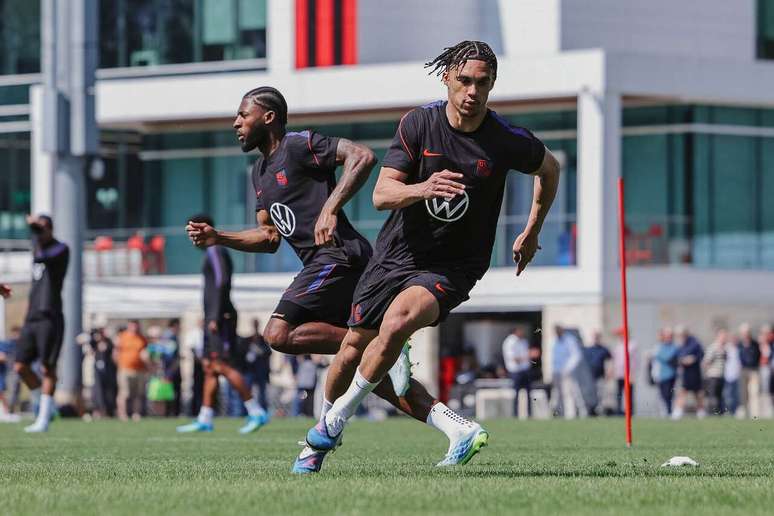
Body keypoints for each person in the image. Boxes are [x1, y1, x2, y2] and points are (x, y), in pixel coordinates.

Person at [303, 40, 559, 471]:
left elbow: (550, 169)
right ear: (446, 78)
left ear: (492, 84)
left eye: (482, 83)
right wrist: (423, 188)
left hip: (454, 266)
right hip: (396, 254)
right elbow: (382, 194)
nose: (472, 91)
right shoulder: (419, 123)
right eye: (464, 80)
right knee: (351, 349)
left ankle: (334, 422)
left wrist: (532, 230)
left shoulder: (505, 138)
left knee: (397, 322)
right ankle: (318, 438)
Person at [186, 86, 465, 474]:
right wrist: (220, 237)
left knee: (278, 333)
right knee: (372, 372)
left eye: (243, 115)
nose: (236, 123)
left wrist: (330, 208)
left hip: (339, 256)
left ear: (268, 117)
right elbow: (269, 238)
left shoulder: (299, 145)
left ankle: (378, 345)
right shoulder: (260, 173)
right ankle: (456, 428)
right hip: (327, 264)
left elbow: (362, 156)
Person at [177, 215, 269, 434]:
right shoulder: (213, 251)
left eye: (193, 231)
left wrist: (215, 316)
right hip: (215, 317)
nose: (191, 237)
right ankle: (205, 418)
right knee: (210, 367)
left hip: (221, 318)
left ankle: (256, 411)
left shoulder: (215, 250)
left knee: (222, 366)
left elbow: (221, 281)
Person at [13, 214, 69, 432]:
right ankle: (44, 406)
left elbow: (45, 256)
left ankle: (43, 419)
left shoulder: (61, 249)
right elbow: (38, 255)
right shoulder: (36, 247)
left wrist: (38, 230)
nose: (38, 232)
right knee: (20, 366)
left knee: (47, 367)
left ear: (51, 229)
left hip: (50, 316)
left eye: (42, 228)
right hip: (32, 317)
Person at [79, 328, 117, 418]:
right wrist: (90, 335)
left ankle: (108, 411)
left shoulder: (108, 342)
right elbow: (79, 340)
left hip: (108, 372)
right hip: (97, 371)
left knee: (108, 392)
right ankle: (98, 410)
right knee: (97, 391)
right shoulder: (93, 342)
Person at [114, 320, 148, 421]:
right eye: (132, 325)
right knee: (124, 393)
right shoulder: (122, 337)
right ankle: (122, 414)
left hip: (139, 370)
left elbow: (145, 352)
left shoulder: (142, 338)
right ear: (129, 326)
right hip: (125, 369)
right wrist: (119, 365)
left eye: (136, 326)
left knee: (138, 394)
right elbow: (116, 353)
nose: (134, 328)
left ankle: (136, 414)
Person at [551, 326, 585, 419]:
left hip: (567, 372)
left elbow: (576, 355)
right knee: (558, 394)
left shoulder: (570, 340)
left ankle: (574, 414)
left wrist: (568, 368)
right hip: (557, 372)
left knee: (571, 393)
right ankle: (560, 413)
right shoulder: (555, 341)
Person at [672, 326, 706, 419]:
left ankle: (701, 411)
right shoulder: (679, 345)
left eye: (681, 335)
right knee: (682, 392)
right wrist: (682, 360)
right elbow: (676, 358)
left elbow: (701, 354)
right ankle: (678, 411)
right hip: (685, 373)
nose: (680, 337)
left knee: (698, 392)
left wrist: (693, 359)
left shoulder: (695, 343)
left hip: (695, 372)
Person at [502, 327, 531, 416]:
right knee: (516, 393)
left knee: (528, 393)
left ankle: (529, 413)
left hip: (525, 370)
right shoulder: (510, 342)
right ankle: (515, 414)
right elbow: (514, 359)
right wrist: (529, 356)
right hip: (515, 371)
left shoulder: (524, 341)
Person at [583, 330, 611, 416]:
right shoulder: (588, 349)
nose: (596, 338)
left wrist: (609, 372)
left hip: (600, 376)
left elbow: (609, 361)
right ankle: (591, 411)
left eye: (597, 337)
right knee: (590, 394)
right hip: (590, 376)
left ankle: (599, 411)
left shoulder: (604, 349)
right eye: (594, 337)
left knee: (600, 394)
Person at [652, 327, 678, 416]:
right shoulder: (660, 346)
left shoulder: (673, 347)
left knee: (669, 394)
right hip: (661, 375)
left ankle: (669, 411)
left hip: (670, 374)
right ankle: (665, 411)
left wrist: (657, 355)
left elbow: (667, 357)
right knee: (662, 394)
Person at [737, 323, 761, 419]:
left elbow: (758, 355)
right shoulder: (740, 344)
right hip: (743, 370)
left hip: (753, 370)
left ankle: (755, 414)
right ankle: (745, 413)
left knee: (754, 392)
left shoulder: (755, 344)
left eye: (747, 332)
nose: (745, 334)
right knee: (744, 393)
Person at [612, 327, 637, 417]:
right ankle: (619, 411)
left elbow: (634, 361)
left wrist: (632, 373)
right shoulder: (618, 345)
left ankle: (630, 411)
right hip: (619, 373)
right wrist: (613, 370)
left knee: (629, 394)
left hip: (628, 374)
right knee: (619, 393)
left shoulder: (632, 345)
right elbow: (615, 360)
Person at [702, 329, 728, 415]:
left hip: (721, 375)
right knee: (712, 396)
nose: (724, 338)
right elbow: (706, 361)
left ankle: (720, 413)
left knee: (720, 396)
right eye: (723, 336)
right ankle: (711, 413)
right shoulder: (713, 347)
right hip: (713, 375)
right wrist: (708, 373)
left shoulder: (724, 348)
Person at [0, 326, 21, 422]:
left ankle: (8, 412)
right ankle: (7, 411)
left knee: (10, 392)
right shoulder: (6, 344)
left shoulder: (15, 344)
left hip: (7, 372)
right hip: (6, 372)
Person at [723, 337, 742, 417]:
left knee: (736, 395)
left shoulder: (739, 349)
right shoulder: (727, 349)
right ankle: (728, 410)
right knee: (728, 395)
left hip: (737, 375)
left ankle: (735, 411)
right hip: (728, 375)